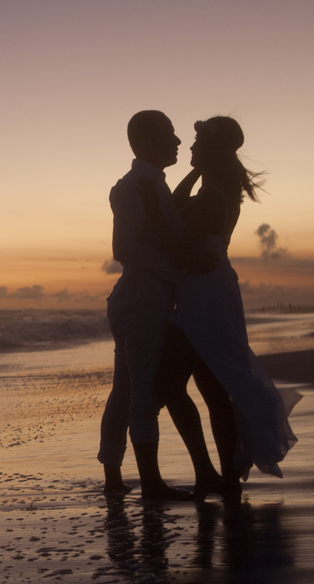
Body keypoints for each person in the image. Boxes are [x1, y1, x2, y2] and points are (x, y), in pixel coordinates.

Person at [137, 116, 298, 491]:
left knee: (172, 386)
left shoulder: (213, 196)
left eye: (197, 143)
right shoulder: (215, 188)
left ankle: (216, 475)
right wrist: (196, 172)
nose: (189, 147)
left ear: (211, 149)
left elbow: (176, 245)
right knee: (211, 387)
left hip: (203, 293)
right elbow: (179, 210)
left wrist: (154, 207)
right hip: (208, 288)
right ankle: (221, 477)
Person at [98, 110, 216, 500]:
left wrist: (198, 173)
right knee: (143, 394)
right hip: (142, 301)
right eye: (170, 134)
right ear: (148, 141)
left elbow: (168, 216)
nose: (179, 142)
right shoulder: (136, 187)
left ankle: (114, 476)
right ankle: (150, 484)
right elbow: (124, 248)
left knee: (125, 391)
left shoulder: (150, 185)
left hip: (137, 300)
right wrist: (178, 268)